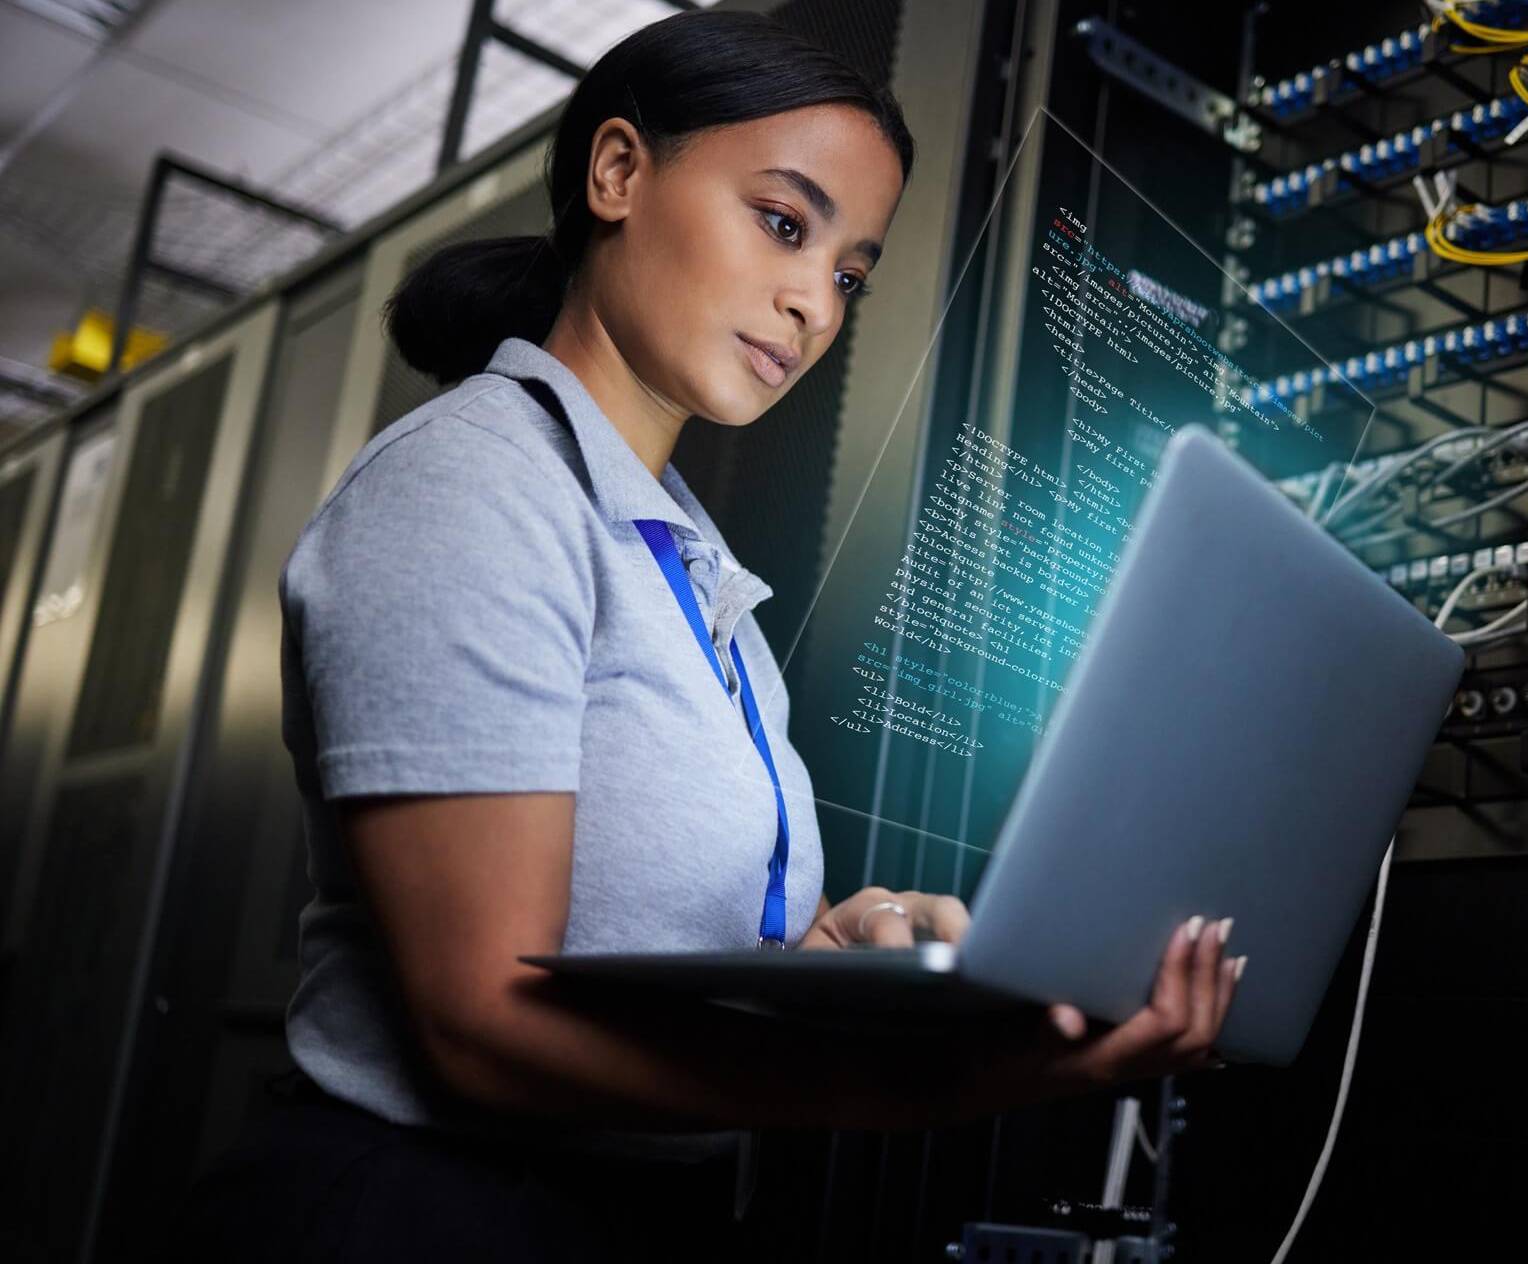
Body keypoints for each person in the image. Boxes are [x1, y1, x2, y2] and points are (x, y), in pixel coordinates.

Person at [167, 10, 1242, 1260]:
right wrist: (936, 1086)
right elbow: (482, 1023)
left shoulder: (686, 566)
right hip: (420, 1214)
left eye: (849, 272)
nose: (813, 303)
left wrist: (819, 945)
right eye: (785, 223)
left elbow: (648, 933)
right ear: (616, 172)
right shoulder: (469, 488)